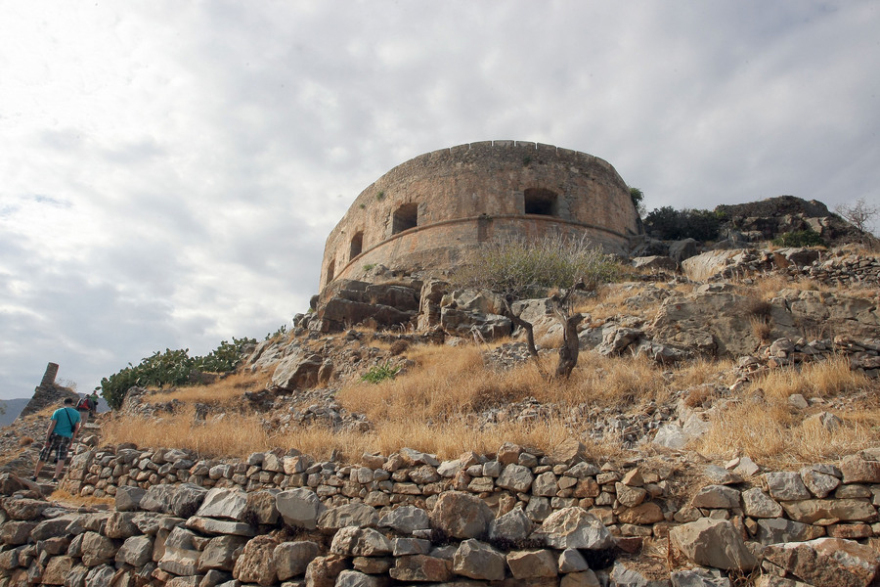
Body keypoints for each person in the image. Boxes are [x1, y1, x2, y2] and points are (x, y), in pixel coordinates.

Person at [33, 397, 81, 483]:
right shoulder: (77, 414)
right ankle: (55, 477)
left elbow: (52, 426)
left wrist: (47, 439)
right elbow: (76, 429)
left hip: (55, 436)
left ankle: (35, 475)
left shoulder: (58, 411)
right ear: (72, 404)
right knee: (61, 458)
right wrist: (72, 441)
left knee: (43, 456)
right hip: (67, 437)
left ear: (64, 403)